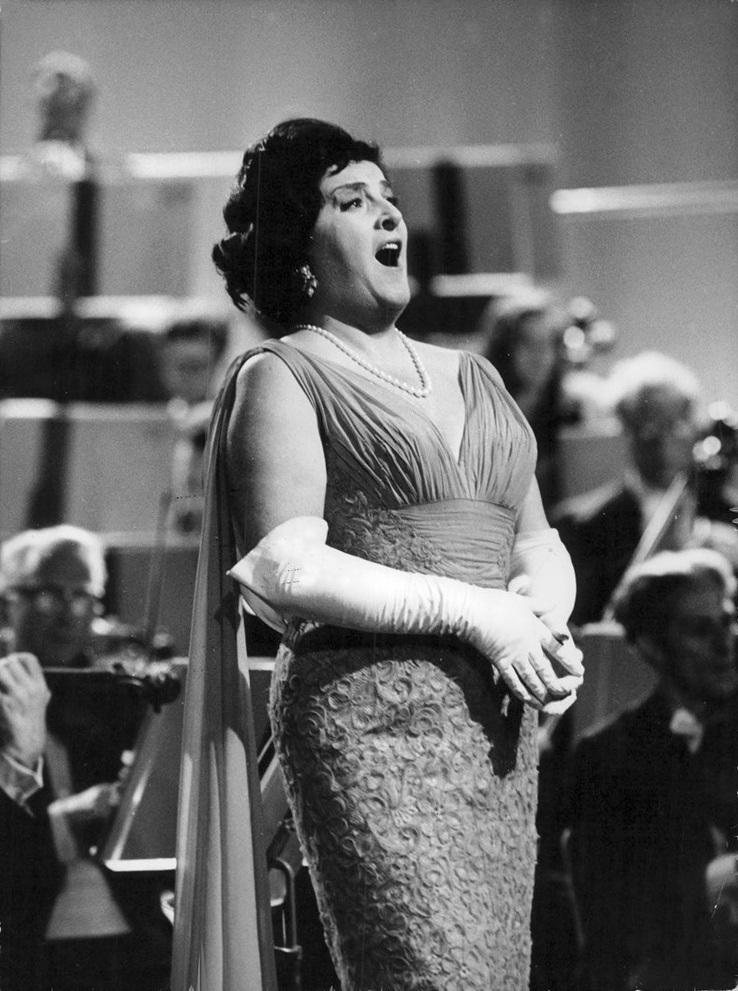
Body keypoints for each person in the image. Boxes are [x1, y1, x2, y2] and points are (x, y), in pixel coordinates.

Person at [172, 118, 583, 991]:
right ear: (299, 247)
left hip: (496, 735)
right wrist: (482, 613)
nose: (389, 214)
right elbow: (288, 568)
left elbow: (536, 539)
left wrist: (543, 624)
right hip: (373, 728)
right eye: (352, 201)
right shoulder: (282, 374)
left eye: (388, 198)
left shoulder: (478, 377)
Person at [0, 525, 171, 991]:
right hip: (27, 936)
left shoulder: (115, 696)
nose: (67, 612)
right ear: (9, 601)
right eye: (48, 593)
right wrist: (59, 819)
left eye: (81, 596)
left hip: (130, 928)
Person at [566, 547, 738, 990]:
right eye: (700, 631)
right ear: (651, 646)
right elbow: (609, 927)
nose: (726, 645)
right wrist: (708, 887)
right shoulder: (607, 755)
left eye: (728, 621)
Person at [552, 350, 738, 626]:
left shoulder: (730, 516)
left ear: (694, 427)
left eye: (675, 427)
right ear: (625, 431)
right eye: (649, 431)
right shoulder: (578, 527)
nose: (664, 446)